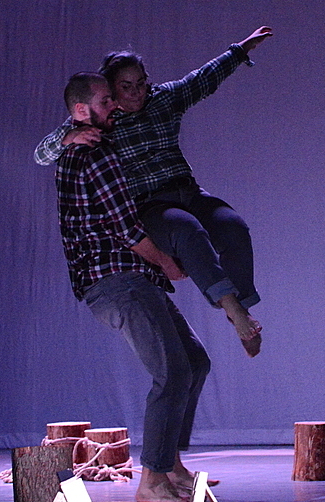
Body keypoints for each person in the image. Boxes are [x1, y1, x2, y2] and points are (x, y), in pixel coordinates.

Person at [36, 27, 273, 357]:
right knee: (188, 231)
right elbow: (42, 153)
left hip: (188, 192)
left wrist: (241, 49)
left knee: (233, 227)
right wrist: (67, 138)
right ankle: (231, 306)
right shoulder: (102, 118)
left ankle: (241, 308)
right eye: (126, 87)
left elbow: (203, 78)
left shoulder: (162, 99)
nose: (136, 93)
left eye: (141, 84)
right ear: (111, 90)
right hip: (151, 205)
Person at [55, 71, 213, 502]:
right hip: (116, 278)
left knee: (194, 362)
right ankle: (152, 480)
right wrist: (168, 262)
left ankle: (170, 465)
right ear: (82, 111)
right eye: (106, 101)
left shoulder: (87, 144)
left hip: (131, 277)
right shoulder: (93, 152)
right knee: (173, 371)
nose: (116, 106)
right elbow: (125, 226)